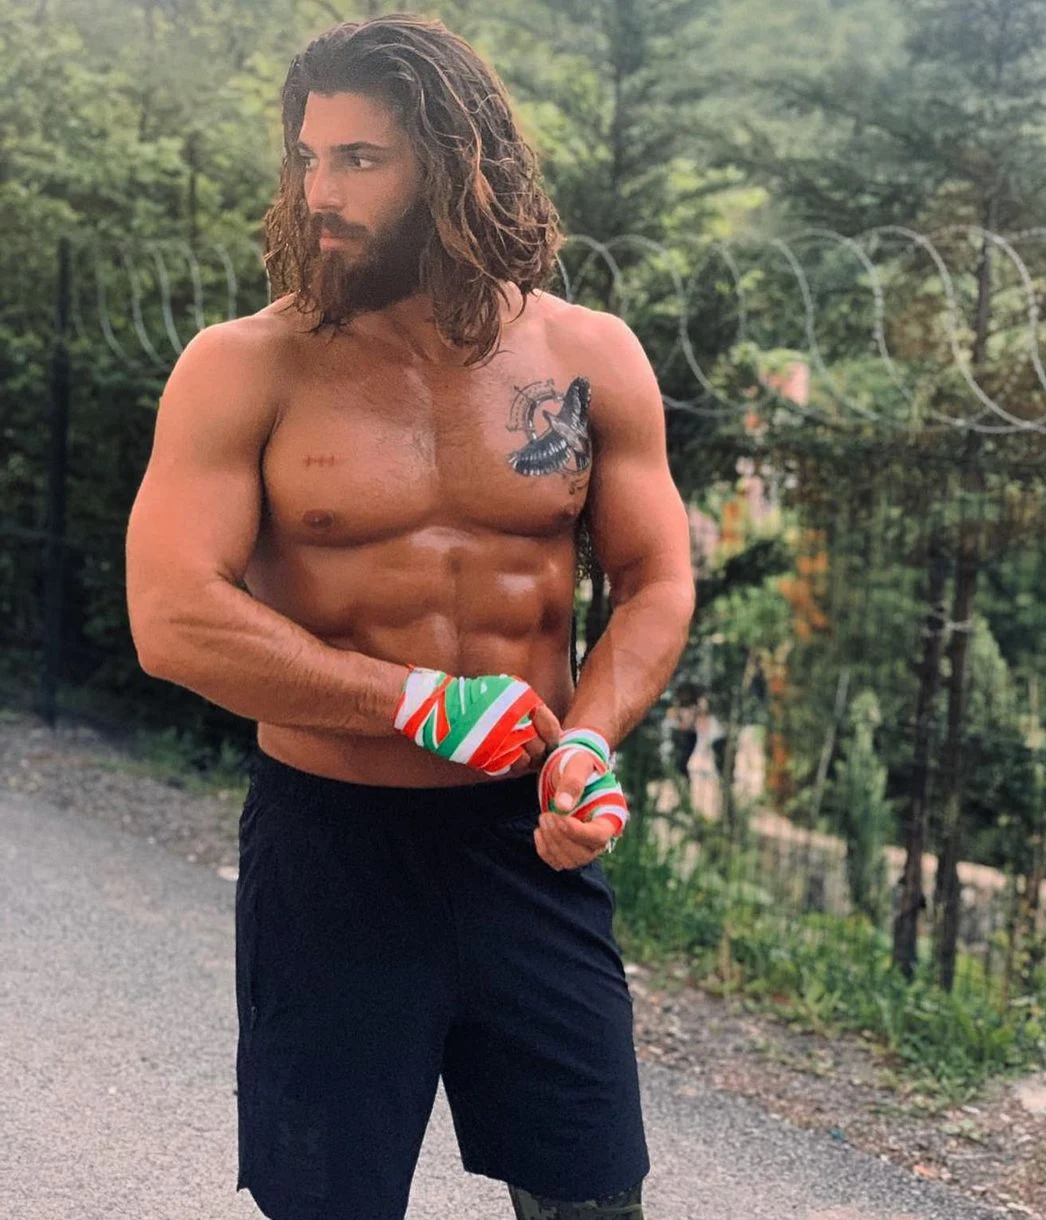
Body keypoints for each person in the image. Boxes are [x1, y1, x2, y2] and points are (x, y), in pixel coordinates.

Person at [125, 15, 695, 1220]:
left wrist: (589, 743)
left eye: (359, 160)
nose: (318, 193)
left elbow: (654, 579)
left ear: (456, 164)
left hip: (524, 844)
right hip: (332, 847)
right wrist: (414, 702)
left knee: (594, 1198)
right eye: (308, 157)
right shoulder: (245, 366)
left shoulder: (591, 355)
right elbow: (172, 615)